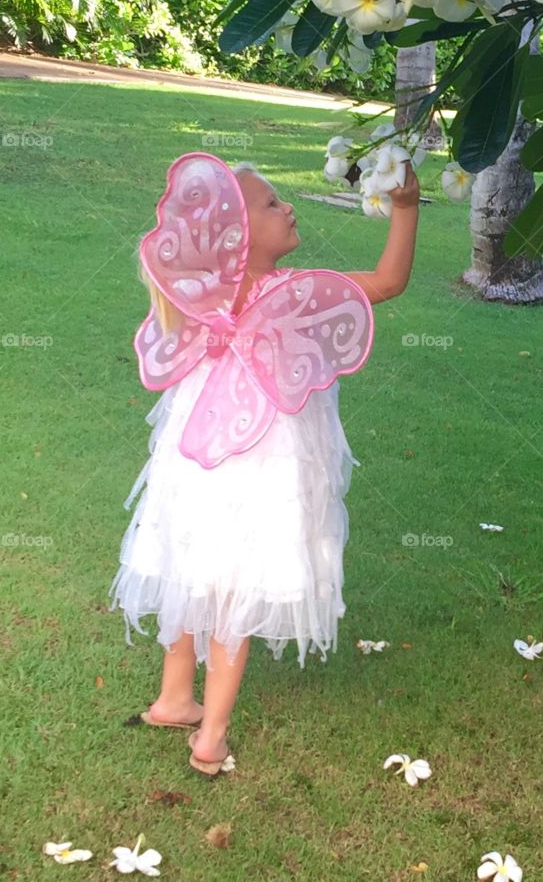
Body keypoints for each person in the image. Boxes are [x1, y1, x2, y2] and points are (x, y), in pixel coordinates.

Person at [107, 155, 420, 776]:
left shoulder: (201, 300)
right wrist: (405, 209)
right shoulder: (288, 294)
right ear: (239, 233)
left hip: (194, 458)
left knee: (188, 558)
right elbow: (386, 282)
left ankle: (175, 698)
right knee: (237, 581)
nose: (290, 207)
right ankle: (211, 737)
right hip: (264, 460)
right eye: (274, 203)